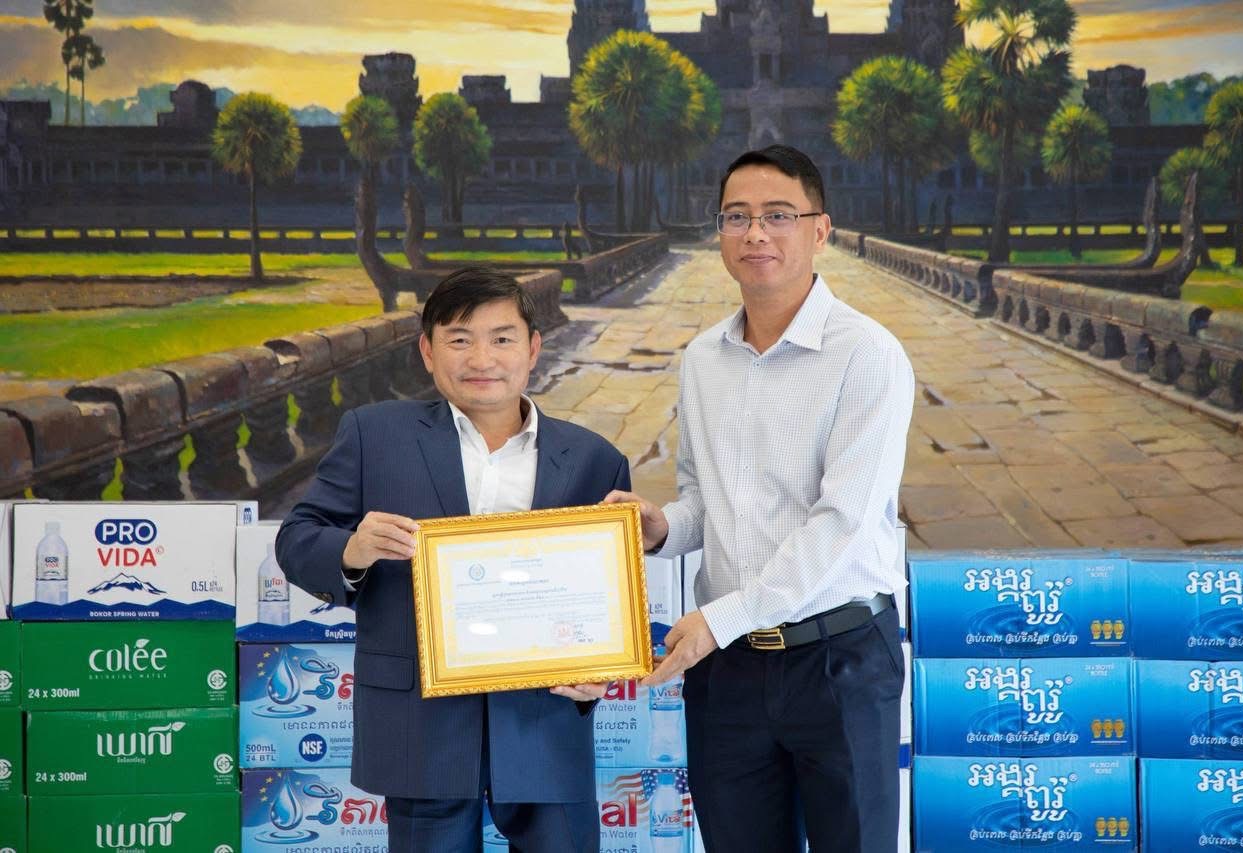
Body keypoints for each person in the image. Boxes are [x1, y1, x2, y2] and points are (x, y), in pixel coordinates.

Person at [605, 145, 915, 853]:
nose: (755, 234)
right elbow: (707, 499)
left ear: (820, 229)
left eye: (778, 215)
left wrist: (723, 619)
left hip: (838, 657)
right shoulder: (702, 359)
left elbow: (842, 522)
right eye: (736, 217)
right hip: (730, 672)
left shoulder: (867, 353)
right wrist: (661, 526)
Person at [277, 266, 630, 853]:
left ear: (533, 349)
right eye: (459, 339)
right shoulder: (373, 435)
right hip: (421, 723)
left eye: (501, 338)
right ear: (427, 351)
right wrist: (352, 549)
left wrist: (603, 662)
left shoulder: (594, 458)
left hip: (545, 720)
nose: (481, 358)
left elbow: (607, 595)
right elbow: (296, 538)